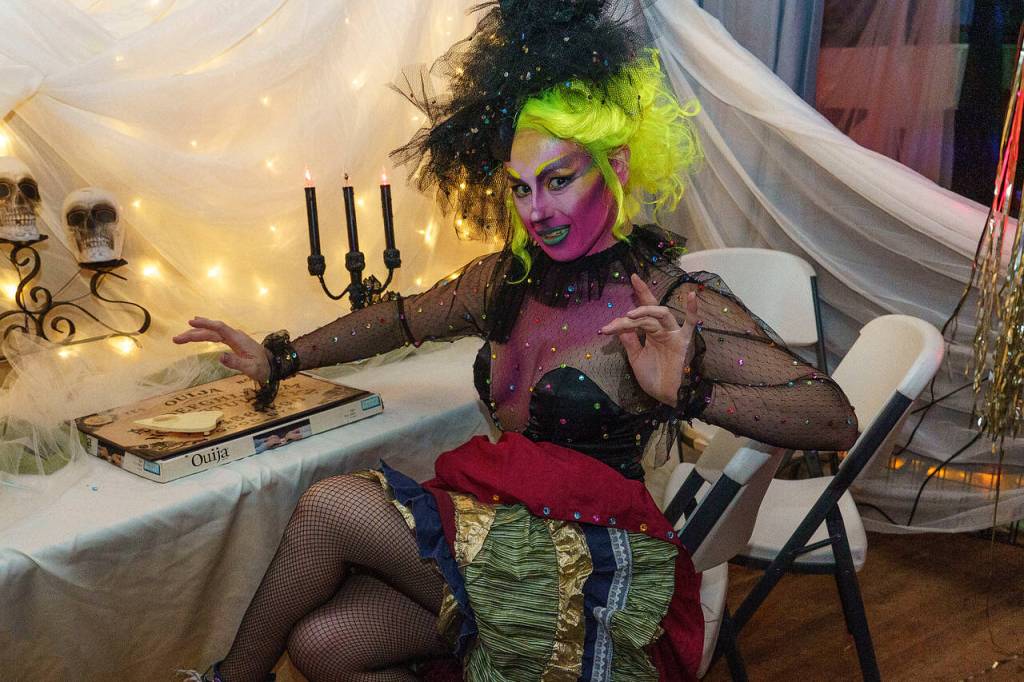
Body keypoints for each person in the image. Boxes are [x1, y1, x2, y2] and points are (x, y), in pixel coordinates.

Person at [175, 2, 858, 680]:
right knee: (326, 644)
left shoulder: (665, 296)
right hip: (500, 535)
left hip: (586, 562)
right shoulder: (508, 278)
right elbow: (402, 318)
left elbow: (832, 415)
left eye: (560, 181)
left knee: (330, 507)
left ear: (616, 167)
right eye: (521, 187)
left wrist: (691, 391)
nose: (536, 210)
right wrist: (280, 356)